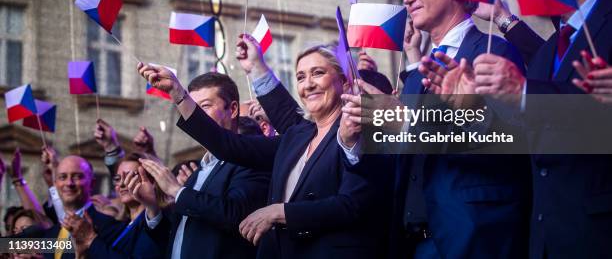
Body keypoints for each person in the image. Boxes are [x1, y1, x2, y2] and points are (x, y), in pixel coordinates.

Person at [423, 0, 612, 258]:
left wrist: (522, 94)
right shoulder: (551, 49)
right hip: (546, 238)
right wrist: (473, 110)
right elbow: (529, 137)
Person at [339, 0, 531, 259]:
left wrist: (403, 121)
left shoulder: (492, 52)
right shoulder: (416, 77)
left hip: (475, 234)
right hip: (414, 242)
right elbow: (403, 161)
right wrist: (355, 142)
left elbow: (507, 142)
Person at [137, 40, 389, 259]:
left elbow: (354, 206)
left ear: (343, 81)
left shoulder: (361, 129)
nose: (308, 84)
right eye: (300, 77)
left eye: (318, 73)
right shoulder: (296, 138)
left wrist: (281, 212)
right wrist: (178, 94)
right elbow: (227, 144)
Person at [135, 72, 270, 259]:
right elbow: (180, 237)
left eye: (205, 106)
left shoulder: (251, 158)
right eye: (193, 107)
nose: (196, 114)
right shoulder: (201, 168)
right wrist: (152, 208)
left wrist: (177, 191)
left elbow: (236, 215)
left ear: (232, 109)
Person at [64, 153, 166, 259]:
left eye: (130, 177)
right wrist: (81, 254)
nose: (121, 184)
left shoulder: (157, 224)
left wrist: (90, 239)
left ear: (152, 182)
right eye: (118, 178)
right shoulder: (121, 226)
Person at [34, 155, 124, 259]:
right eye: (63, 177)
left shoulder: (110, 227)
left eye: (77, 176)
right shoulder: (50, 234)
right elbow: (13, 245)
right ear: (55, 184)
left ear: (92, 183)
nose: (69, 183)